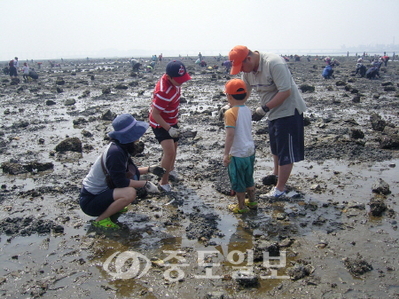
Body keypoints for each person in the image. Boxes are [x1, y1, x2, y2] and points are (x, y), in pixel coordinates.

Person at [229, 45, 307, 198]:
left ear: (249, 59)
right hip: (272, 112)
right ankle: (276, 175)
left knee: (285, 151)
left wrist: (263, 109)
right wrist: (231, 108)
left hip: (288, 111)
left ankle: (280, 189)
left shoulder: (274, 63)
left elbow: (286, 91)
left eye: (242, 66)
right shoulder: (248, 72)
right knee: (276, 147)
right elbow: (244, 93)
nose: (242, 71)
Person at [79, 114, 165, 229]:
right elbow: (121, 182)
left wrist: (150, 169)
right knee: (129, 193)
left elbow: (128, 172)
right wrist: (146, 184)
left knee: (131, 186)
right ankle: (101, 220)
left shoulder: (121, 147)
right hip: (90, 202)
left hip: (102, 194)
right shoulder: (115, 153)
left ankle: (113, 207)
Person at [149, 60, 192, 192]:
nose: (181, 82)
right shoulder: (164, 92)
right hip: (160, 123)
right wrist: (169, 128)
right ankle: (163, 182)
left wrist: (173, 124)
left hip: (171, 119)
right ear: (168, 77)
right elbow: (155, 114)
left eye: (183, 79)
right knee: (169, 152)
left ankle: (171, 170)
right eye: (179, 80)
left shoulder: (174, 81)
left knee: (175, 146)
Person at [223, 79, 256, 213]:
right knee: (249, 177)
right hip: (250, 150)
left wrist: (226, 154)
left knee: (238, 180)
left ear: (229, 96)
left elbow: (230, 135)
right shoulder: (247, 109)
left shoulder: (230, 113)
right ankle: (252, 201)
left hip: (237, 153)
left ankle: (241, 207)